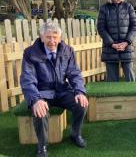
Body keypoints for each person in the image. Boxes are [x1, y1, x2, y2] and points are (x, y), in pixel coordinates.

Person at [20, 21, 89, 157]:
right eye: (48, 37)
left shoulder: (67, 50)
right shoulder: (30, 53)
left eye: (55, 36)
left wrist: (80, 91)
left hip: (62, 90)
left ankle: (75, 134)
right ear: (41, 37)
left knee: (81, 105)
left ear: (60, 37)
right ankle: (42, 146)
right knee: (40, 112)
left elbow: (74, 73)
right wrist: (35, 100)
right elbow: (28, 79)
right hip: (42, 93)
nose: (52, 41)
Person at [97, 0, 136, 82]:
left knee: (130, 79)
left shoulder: (128, 7)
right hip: (110, 49)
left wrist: (126, 42)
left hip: (126, 48)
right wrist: (112, 44)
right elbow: (101, 28)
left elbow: (134, 26)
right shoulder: (104, 8)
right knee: (112, 81)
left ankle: (133, 98)